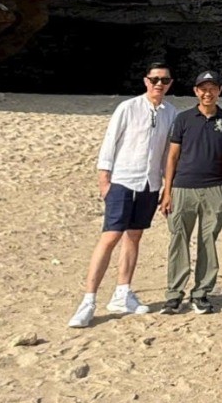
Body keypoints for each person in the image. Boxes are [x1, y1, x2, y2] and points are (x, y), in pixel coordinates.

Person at [68, 62, 177, 328]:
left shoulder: (171, 113)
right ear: (146, 81)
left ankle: (122, 292)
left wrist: (167, 188)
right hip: (123, 180)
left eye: (164, 80)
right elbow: (110, 142)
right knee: (110, 236)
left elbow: (167, 153)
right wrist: (104, 180)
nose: (159, 84)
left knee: (134, 236)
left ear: (170, 84)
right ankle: (88, 300)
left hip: (149, 183)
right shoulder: (128, 108)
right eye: (155, 79)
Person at [157, 70, 222, 316]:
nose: (207, 93)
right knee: (178, 239)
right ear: (196, 91)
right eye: (203, 89)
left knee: (208, 240)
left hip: (216, 188)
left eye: (212, 88)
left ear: (219, 91)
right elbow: (172, 156)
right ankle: (174, 294)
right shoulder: (183, 119)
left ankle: (201, 293)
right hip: (183, 188)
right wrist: (167, 191)